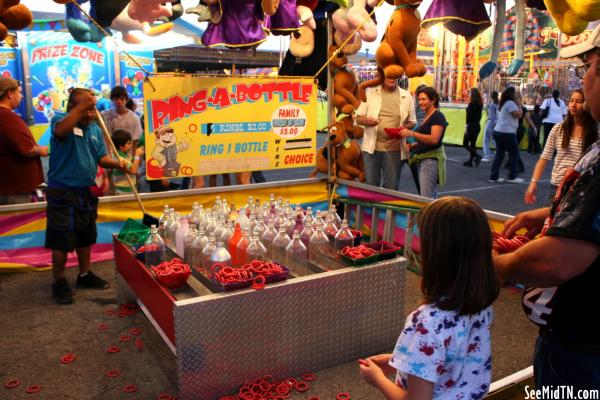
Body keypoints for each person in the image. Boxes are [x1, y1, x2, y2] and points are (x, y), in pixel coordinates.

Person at [494, 27, 600, 391]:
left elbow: (556, 260)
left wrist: (496, 266)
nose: (582, 81)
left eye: (585, 68)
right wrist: (547, 214)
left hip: (583, 349)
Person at [360, 196, 499, 399]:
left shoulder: (425, 323)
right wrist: (401, 361)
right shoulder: (481, 302)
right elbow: (453, 358)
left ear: (435, 254)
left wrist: (378, 378)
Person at [46, 88, 127, 304]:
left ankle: (84, 274)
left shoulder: (93, 128)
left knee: (85, 235)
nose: (91, 114)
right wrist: (82, 106)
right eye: (86, 109)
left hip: (85, 191)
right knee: (61, 239)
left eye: (92, 109)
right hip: (62, 192)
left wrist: (118, 164)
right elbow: (60, 132)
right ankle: (59, 281)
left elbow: (101, 157)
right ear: (73, 107)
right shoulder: (60, 120)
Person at [524, 89, 598, 204]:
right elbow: (544, 158)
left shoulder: (595, 133)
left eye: (578, 101)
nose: (573, 105)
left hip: (581, 189)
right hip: (556, 186)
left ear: (586, 104)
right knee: (550, 220)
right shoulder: (559, 128)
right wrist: (533, 182)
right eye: (571, 100)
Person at [356, 78, 416, 190]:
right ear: (382, 76)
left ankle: (389, 208)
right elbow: (358, 118)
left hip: (394, 149)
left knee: (392, 187)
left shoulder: (406, 96)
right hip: (371, 149)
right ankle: (373, 208)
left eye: (394, 75)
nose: (392, 78)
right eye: (388, 75)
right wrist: (366, 121)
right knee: (371, 187)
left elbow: (412, 122)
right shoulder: (371, 94)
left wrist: (401, 130)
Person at [0, 77, 48, 205]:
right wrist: (42, 150)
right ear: (10, 93)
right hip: (13, 189)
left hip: (8, 187)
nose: (21, 96)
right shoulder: (7, 117)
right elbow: (27, 149)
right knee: (14, 223)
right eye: (19, 92)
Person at [399, 86, 448, 198]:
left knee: (426, 198)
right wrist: (414, 144)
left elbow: (434, 139)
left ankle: (429, 215)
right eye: (419, 99)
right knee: (429, 196)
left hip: (430, 162)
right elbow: (428, 138)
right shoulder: (428, 115)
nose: (420, 102)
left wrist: (412, 134)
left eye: (424, 99)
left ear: (433, 100)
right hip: (424, 160)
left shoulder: (438, 116)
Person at [488, 86, 524, 183]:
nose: (517, 95)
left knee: (499, 154)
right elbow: (519, 115)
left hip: (499, 131)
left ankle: (494, 176)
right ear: (512, 94)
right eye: (516, 93)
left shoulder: (502, 103)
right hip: (507, 132)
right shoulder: (510, 103)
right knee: (514, 153)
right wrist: (519, 105)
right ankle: (512, 176)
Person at [101, 86, 142, 153]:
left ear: (126, 100)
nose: (119, 101)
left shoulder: (134, 118)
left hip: (128, 155)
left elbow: (135, 141)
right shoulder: (106, 115)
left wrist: (134, 158)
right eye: (116, 99)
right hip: (111, 154)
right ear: (112, 100)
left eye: (122, 99)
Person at [110, 129, 145, 195]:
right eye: (129, 143)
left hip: (130, 188)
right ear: (121, 146)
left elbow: (133, 165)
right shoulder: (119, 158)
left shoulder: (126, 155)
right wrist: (137, 155)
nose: (131, 146)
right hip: (123, 192)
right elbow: (133, 171)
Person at [463, 87, 483, 167]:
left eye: (470, 93)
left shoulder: (471, 104)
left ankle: (477, 156)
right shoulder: (479, 104)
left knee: (465, 143)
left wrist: (466, 127)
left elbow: (469, 117)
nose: (468, 94)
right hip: (477, 125)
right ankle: (471, 161)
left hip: (471, 126)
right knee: (473, 144)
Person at [481, 91, 499, 162]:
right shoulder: (498, 104)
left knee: (486, 140)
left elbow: (490, 114)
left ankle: (487, 156)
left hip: (490, 122)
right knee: (495, 140)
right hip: (496, 123)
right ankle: (500, 153)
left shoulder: (491, 105)